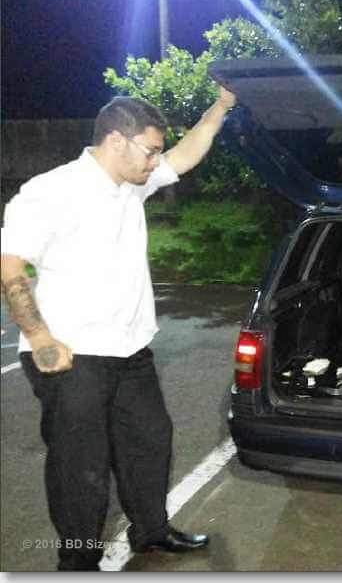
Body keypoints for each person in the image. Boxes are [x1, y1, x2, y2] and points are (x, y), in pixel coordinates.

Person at [0, 86, 237, 570]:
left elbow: (184, 155)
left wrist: (221, 106)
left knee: (150, 440)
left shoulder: (133, 183)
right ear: (115, 140)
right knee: (81, 466)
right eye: (149, 150)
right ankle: (78, 563)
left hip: (130, 349)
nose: (155, 161)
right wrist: (40, 338)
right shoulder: (50, 192)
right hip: (71, 352)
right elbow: (10, 267)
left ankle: (150, 533)